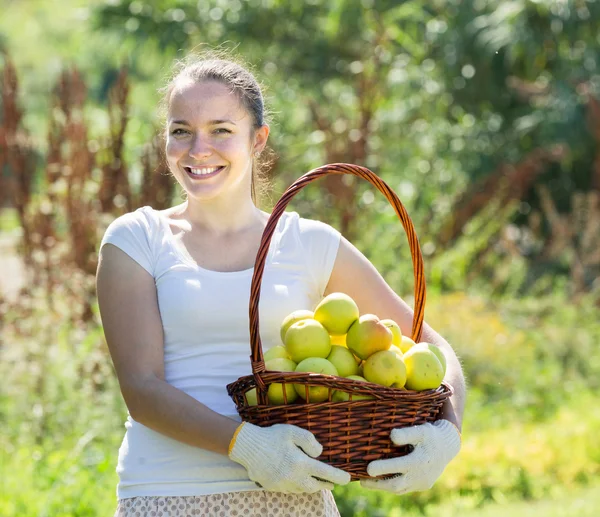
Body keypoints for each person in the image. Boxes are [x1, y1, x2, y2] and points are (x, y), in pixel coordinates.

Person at [96, 50, 466, 517]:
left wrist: (447, 433)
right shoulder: (137, 239)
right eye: (180, 131)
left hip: (295, 497)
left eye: (221, 130)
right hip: (168, 493)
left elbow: (429, 345)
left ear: (258, 140)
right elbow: (141, 387)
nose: (197, 150)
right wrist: (246, 445)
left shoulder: (307, 243)